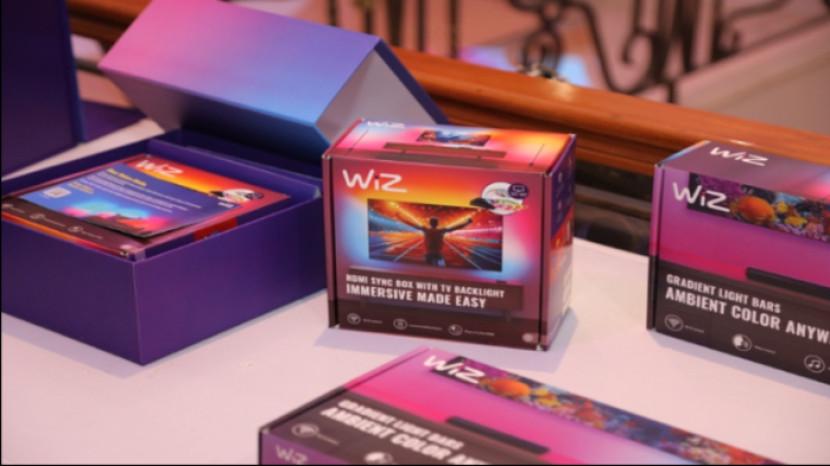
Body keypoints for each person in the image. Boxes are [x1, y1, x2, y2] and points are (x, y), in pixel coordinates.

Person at [397, 214, 473, 266]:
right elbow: (455, 228)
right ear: (437, 223)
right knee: (440, 269)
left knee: (430, 270)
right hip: (438, 254)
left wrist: (401, 218)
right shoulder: (440, 231)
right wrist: (467, 223)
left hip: (429, 254)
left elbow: (412, 225)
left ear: (430, 223)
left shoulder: (426, 230)